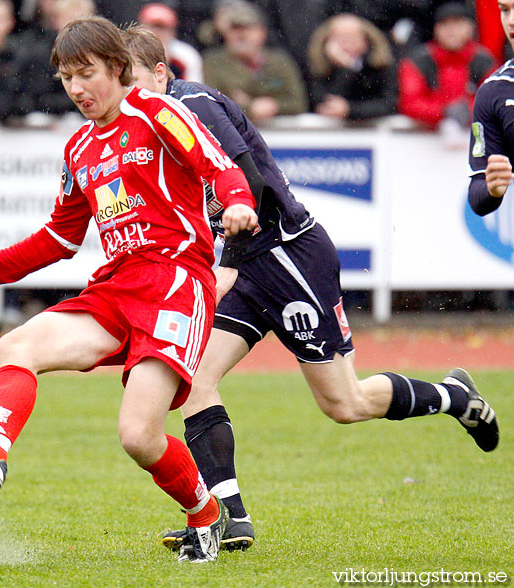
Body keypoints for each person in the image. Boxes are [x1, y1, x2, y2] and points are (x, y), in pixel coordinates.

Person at [122, 24, 500, 554]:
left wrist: (225, 262)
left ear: (161, 72)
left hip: (286, 255)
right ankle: (228, 517)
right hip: (247, 263)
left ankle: (454, 396)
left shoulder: (195, 105)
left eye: (131, 81)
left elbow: (246, 178)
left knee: (345, 404)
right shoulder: (145, 124)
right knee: (194, 378)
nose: (124, 96)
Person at [0, 16, 258, 563]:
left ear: (118, 69)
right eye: (67, 78)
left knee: (139, 437)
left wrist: (238, 202)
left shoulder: (158, 112)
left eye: (86, 73)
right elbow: (56, 239)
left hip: (174, 285)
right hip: (116, 288)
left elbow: (218, 164)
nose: (76, 88)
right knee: (16, 344)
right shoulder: (80, 149)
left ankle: (206, 518)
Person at [202, 1, 308, 127]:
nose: (242, 34)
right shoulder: (213, 62)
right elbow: (209, 105)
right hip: (232, 133)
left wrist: (274, 106)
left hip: (280, 134)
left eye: (248, 28)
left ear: (262, 32)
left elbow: (299, 103)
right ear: (226, 33)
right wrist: (249, 108)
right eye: (235, 28)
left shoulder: (280, 62)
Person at [398, 3, 496, 132]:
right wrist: (445, 112)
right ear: (435, 29)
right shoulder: (418, 61)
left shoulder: (484, 60)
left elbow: (492, 100)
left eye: (457, 23)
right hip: (426, 138)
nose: (451, 30)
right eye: (444, 24)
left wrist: (468, 110)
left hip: (474, 135)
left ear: (471, 28)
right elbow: (409, 102)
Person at [468, 0, 514, 216]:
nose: (511, 21)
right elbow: (477, 193)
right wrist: (492, 187)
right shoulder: (495, 91)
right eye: (505, 10)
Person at [307, 13, 397, 121]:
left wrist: (350, 110)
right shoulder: (318, 67)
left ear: (366, 41)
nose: (347, 45)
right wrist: (344, 69)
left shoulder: (380, 66)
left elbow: (388, 105)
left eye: (352, 39)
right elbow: (323, 103)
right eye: (341, 40)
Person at [138, 2, 204, 83]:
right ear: (141, 29)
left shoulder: (187, 56)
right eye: (152, 27)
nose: (156, 33)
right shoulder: (130, 53)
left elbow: (193, 90)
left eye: (162, 28)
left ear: (172, 32)